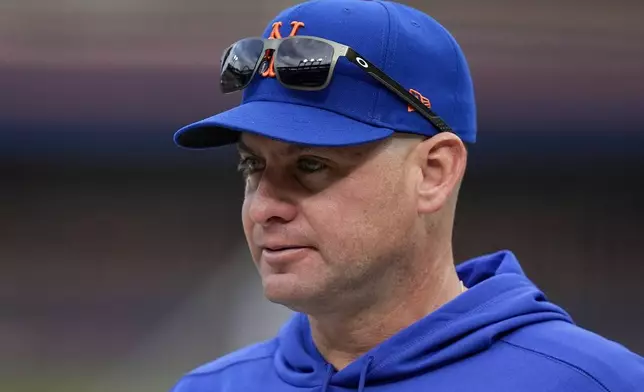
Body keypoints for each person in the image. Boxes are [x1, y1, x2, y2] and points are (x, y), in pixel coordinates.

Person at [170, 0, 644, 391]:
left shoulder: (594, 382)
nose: (264, 207)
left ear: (434, 173)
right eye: (253, 165)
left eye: (311, 165)